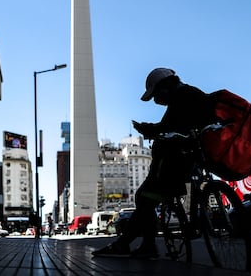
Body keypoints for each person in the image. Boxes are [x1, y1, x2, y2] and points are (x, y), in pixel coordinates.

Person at [92, 68, 215, 258]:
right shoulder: (191, 94)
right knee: (148, 198)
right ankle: (146, 245)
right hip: (194, 160)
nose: (156, 101)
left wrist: (146, 129)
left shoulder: (181, 98)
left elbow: (167, 128)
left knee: (144, 197)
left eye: (156, 95)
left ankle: (127, 244)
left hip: (174, 164)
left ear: (164, 87)